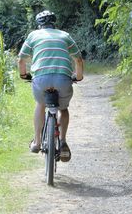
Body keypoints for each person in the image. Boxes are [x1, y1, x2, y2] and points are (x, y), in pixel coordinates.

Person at [18, 10, 84, 162]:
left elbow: (21, 60)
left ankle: (37, 142)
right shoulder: (64, 35)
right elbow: (78, 60)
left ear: (39, 24)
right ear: (54, 23)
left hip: (41, 79)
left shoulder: (33, 35)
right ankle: (63, 142)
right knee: (63, 108)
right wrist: (78, 77)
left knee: (40, 104)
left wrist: (24, 75)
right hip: (63, 79)